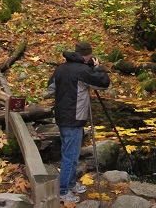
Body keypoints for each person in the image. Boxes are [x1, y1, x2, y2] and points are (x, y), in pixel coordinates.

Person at [48, 41, 111, 203]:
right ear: (87, 55)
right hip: (74, 119)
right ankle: (63, 191)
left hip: (62, 117)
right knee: (69, 156)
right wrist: (96, 68)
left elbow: (50, 90)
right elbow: (104, 83)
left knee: (73, 154)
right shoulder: (83, 71)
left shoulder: (60, 69)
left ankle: (70, 183)